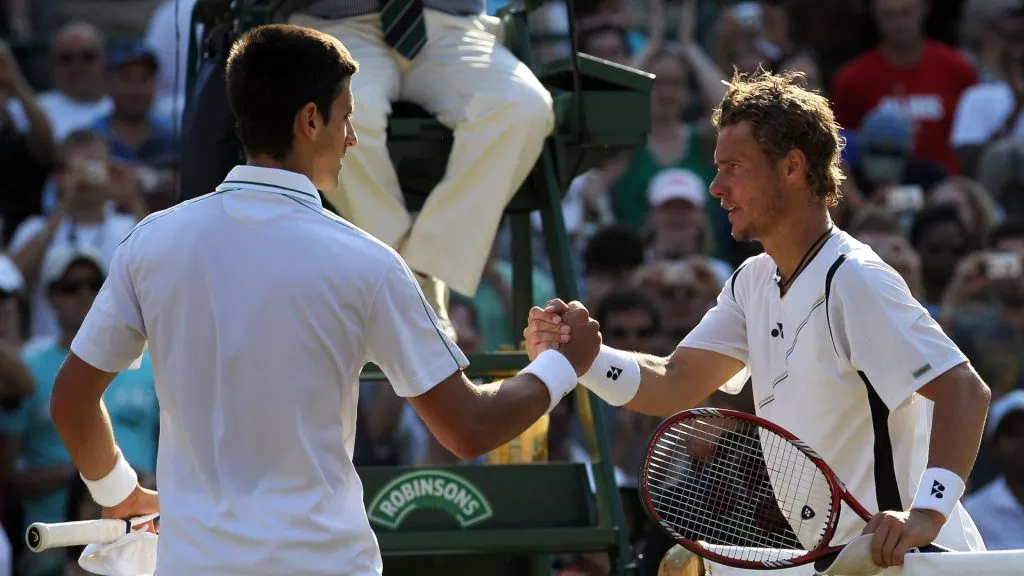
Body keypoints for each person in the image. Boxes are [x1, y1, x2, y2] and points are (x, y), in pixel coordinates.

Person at [45, 24, 599, 575]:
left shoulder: (150, 243)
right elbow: (468, 428)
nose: (353, 137)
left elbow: (71, 401)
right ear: (311, 121)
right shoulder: (370, 263)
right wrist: (561, 367)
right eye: (346, 117)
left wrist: (118, 493)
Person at [525, 69, 992, 570]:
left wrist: (926, 513)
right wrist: (585, 360)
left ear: (792, 167)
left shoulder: (856, 280)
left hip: (916, 561)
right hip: (840, 561)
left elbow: (965, 391)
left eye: (733, 167)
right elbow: (676, 380)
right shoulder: (753, 281)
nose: (716, 187)